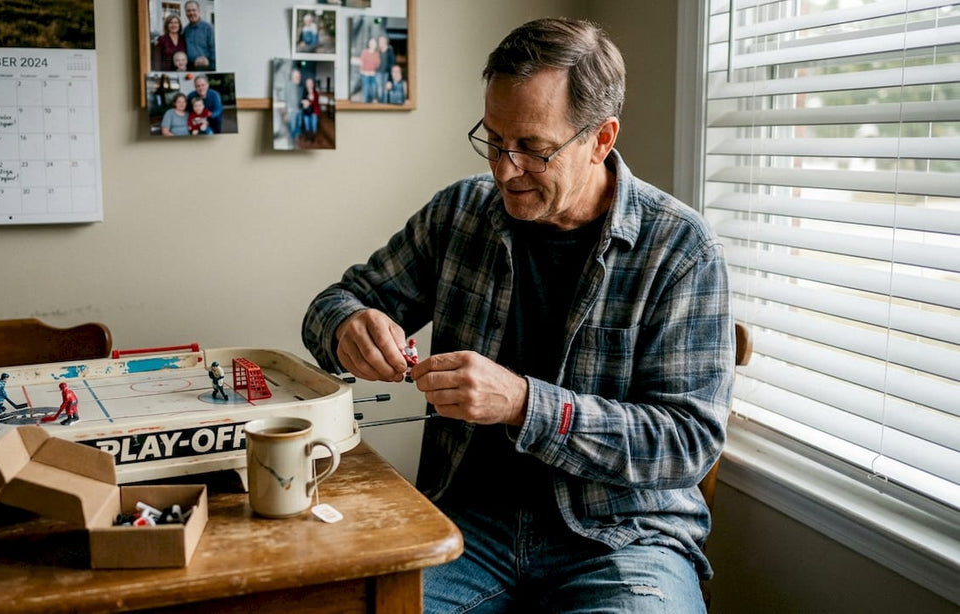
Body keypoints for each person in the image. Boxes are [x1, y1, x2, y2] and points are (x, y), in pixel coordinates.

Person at [301, 17, 734, 613]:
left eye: (533, 148)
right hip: (465, 522)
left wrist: (525, 405)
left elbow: (687, 441)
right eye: (494, 138)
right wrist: (348, 329)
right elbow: (332, 304)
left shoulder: (681, 250)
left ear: (601, 139)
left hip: (624, 539)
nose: (505, 169)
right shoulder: (459, 214)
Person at [183, 1, 215, 70]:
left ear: (199, 11)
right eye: (188, 11)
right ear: (185, 13)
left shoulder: (208, 28)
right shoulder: (186, 30)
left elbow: (213, 49)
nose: (191, 13)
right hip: (190, 67)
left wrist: (212, 68)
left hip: (205, 67)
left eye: (194, 10)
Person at [283, 68, 304, 146]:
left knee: (299, 124)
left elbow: (302, 98)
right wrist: (288, 111)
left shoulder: (301, 86)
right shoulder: (288, 85)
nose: (298, 77)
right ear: (292, 76)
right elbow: (286, 98)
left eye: (299, 76)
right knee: (293, 126)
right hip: (292, 110)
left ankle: (296, 137)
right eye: (296, 76)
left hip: (300, 109)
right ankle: (292, 141)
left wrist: (304, 101)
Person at [358, 37, 380, 103]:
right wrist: (362, 71)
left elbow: (378, 64)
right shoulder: (364, 52)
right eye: (371, 43)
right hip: (365, 75)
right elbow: (361, 62)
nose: (372, 44)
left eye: (374, 43)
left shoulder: (377, 54)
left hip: (373, 75)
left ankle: (370, 105)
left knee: (372, 92)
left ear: (376, 45)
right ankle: (364, 106)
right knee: (365, 92)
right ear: (369, 44)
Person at [376, 35, 396, 100]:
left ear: (385, 42)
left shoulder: (390, 50)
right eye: (379, 41)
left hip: (386, 73)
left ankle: (384, 102)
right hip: (378, 73)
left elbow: (392, 63)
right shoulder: (378, 51)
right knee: (379, 88)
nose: (380, 43)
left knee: (385, 89)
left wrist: (391, 77)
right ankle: (380, 102)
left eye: (382, 41)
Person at [301, 77, 321, 143]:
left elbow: (315, 102)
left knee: (314, 125)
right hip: (306, 112)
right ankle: (308, 137)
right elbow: (302, 101)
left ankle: (313, 138)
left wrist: (308, 102)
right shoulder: (304, 92)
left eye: (310, 83)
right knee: (307, 125)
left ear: (313, 84)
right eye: (308, 83)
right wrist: (305, 102)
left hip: (314, 112)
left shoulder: (316, 93)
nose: (309, 84)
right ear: (306, 84)